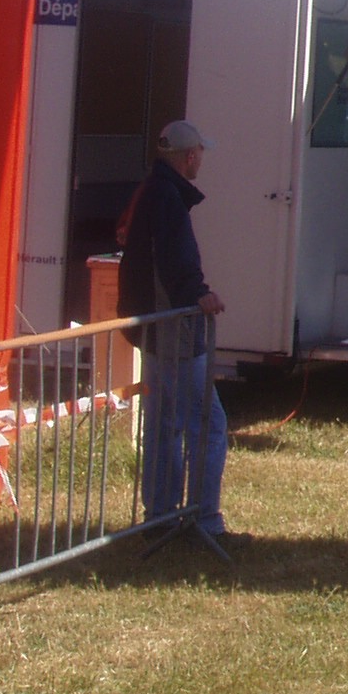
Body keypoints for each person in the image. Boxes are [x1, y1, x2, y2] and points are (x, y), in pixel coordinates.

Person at [117, 118, 231, 543]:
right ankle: (204, 522)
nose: (201, 160)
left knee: (163, 423)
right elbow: (176, 260)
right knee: (209, 424)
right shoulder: (168, 197)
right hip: (174, 328)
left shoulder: (152, 189)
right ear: (189, 156)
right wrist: (198, 294)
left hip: (151, 328)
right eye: (200, 153)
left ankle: (160, 517)